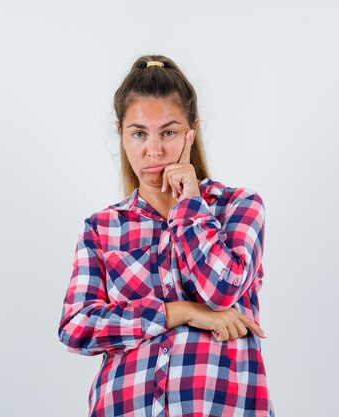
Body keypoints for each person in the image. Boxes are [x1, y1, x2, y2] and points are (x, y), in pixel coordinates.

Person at [57, 54, 275, 417]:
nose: (153, 150)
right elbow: (76, 327)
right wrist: (181, 311)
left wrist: (189, 204)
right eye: (139, 133)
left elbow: (221, 291)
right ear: (121, 135)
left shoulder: (238, 207)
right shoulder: (102, 228)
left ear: (192, 130)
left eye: (169, 132)